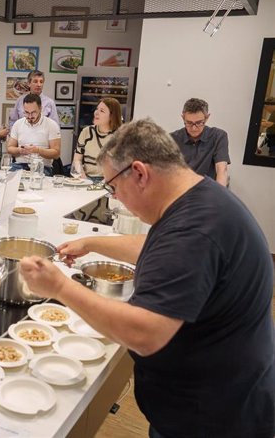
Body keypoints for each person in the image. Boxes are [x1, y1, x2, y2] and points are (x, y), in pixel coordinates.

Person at [20, 118, 275, 438]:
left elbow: (145, 333)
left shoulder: (195, 229)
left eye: (113, 187)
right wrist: (92, 243)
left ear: (139, 173)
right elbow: (159, 249)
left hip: (215, 417)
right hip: (215, 399)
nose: (116, 199)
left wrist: (59, 286)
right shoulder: (200, 198)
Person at [170, 98, 230, 186]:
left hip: (206, 190)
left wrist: (219, 196)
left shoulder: (218, 136)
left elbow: (222, 169)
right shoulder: (172, 138)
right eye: (189, 123)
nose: (194, 128)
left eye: (199, 123)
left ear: (207, 118)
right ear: (183, 117)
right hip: (180, 190)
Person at [6, 93, 61, 175]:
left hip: (42, 166)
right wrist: (20, 150)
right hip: (19, 165)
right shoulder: (18, 124)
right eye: (26, 112)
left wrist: (37, 150)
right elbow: (9, 148)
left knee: (36, 181)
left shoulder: (51, 125)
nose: (30, 116)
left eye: (33, 112)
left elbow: (56, 153)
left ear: (40, 109)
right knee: (9, 182)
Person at [72, 97, 123, 180]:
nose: (96, 113)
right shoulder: (87, 132)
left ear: (112, 116)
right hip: (86, 178)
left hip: (108, 181)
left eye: (102, 111)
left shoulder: (119, 136)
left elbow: (120, 167)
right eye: (97, 109)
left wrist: (103, 184)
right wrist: (83, 178)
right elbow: (77, 159)